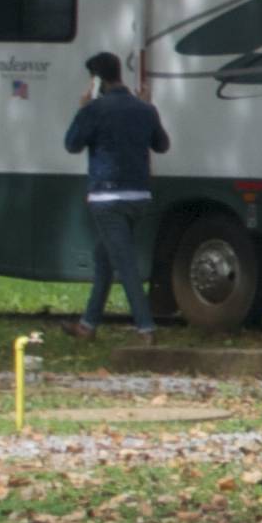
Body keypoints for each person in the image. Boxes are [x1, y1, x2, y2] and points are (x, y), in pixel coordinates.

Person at [63, 51, 168, 339]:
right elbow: (162, 145)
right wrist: (149, 107)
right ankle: (88, 324)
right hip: (139, 197)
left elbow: (72, 144)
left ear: (96, 80)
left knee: (124, 263)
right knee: (104, 257)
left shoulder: (94, 110)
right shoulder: (144, 109)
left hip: (108, 197)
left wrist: (82, 109)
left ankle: (146, 328)